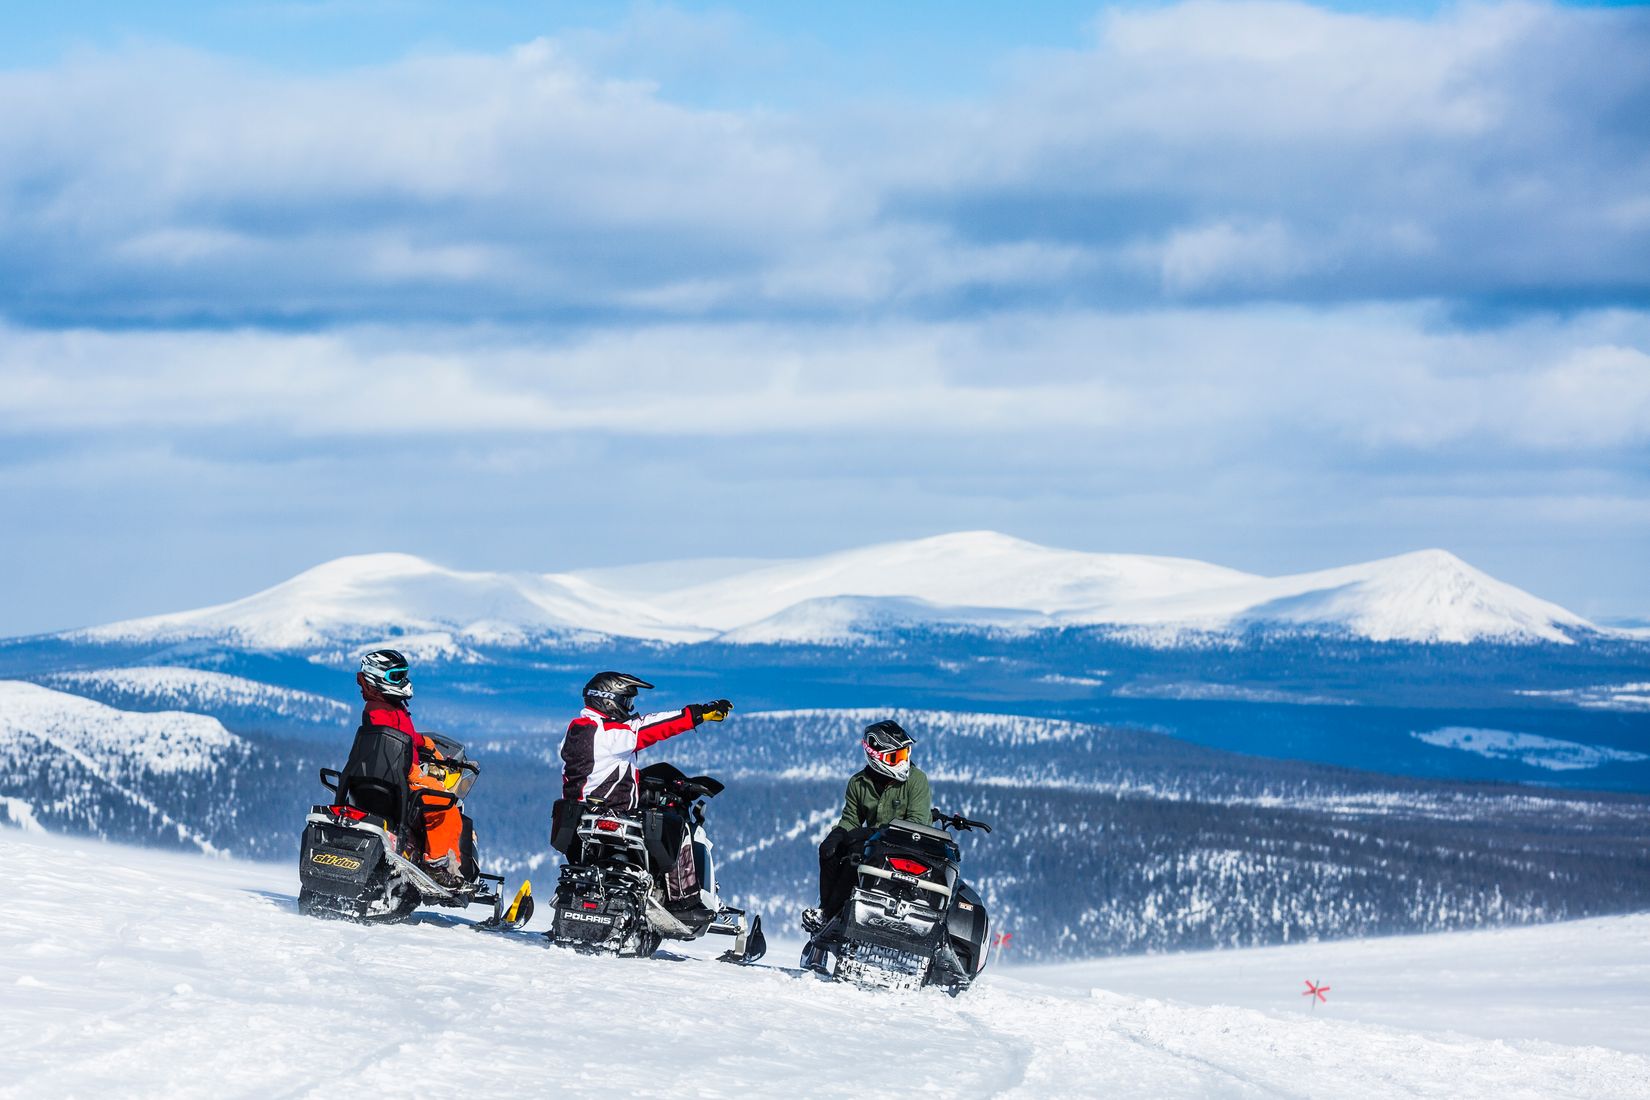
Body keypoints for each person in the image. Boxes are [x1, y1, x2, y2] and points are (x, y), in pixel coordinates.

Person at [551, 672, 732, 858]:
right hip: (613, 814)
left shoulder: (575, 730)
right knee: (673, 829)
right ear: (608, 700)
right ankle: (680, 884)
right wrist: (697, 714)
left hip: (576, 818)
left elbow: (598, 767)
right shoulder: (612, 734)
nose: (630, 709)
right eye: (626, 702)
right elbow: (654, 726)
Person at [802, 719, 932, 935]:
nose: (903, 761)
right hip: (873, 844)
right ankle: (826, 912)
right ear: (875, 756)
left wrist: (873, 832)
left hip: (908, 847)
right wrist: (838, 834)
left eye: (904, 754)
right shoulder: (858, 783)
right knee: (830, 852)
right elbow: (851, 817)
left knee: (856, 851)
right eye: (895, 757)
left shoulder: (916, 780)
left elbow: (916, 823)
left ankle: (834, 912)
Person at [356, 649, 467, 886]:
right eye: (396, 677)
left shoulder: (386, 707)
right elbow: (394, 741)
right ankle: (438, 864)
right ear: (378, 678)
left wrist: (424, 742)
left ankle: (422, 852)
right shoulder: (380, 710)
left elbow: (403, 735)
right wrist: (415, 768)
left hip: (385, 774)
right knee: (446, 804)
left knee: (439, 795)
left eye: (404, 675)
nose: (403, 682)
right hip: (401, 775)